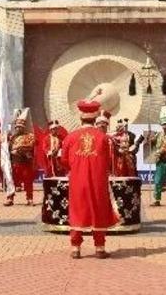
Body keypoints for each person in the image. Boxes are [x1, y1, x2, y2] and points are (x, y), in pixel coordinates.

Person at [61, 99, 119, 259]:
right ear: (95, 119)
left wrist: (76, 169)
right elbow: (108, 160)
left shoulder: (70, 138)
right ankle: (99, 247)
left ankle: (75, 248)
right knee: (98, 210)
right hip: (98, 180)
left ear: (80, 118)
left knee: (77, 210)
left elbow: (64, 160)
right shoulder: (103, 138)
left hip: (77, 181)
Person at [5, 108, 36, 206]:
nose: (18, 128)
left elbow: (30, 146)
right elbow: (7, 149)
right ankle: (10, 198)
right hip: (14, 163)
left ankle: (29, 198)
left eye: (20, 127)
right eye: (17, 127)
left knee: (28, 182)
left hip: (25, 162)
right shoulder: (12, 138)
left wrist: (18, 150)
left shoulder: (29, 136)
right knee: (11, 181)